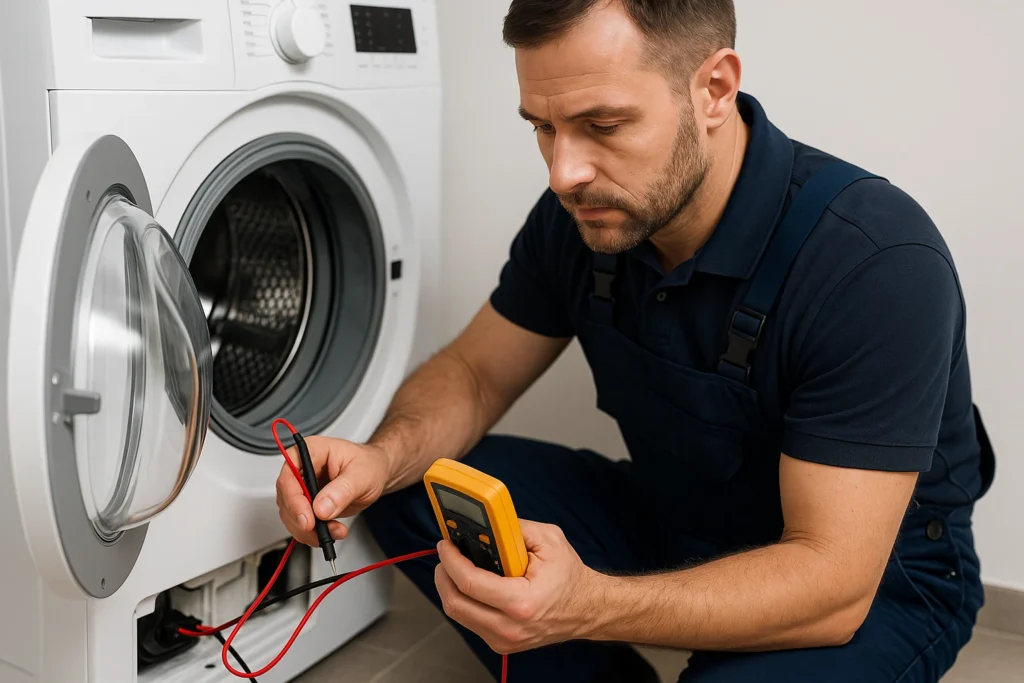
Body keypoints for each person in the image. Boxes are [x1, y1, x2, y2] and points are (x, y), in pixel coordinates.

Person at [275, 1, 995, 681]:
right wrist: (381, 457)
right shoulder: (588, 212)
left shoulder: (873, 260)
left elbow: (833, 584)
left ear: (714, 89)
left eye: (603, 125)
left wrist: (588, 603)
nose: (564, 171)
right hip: (679, 513)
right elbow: (474, 373)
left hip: (869, 582)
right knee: (423, 485)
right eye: (543, 127)